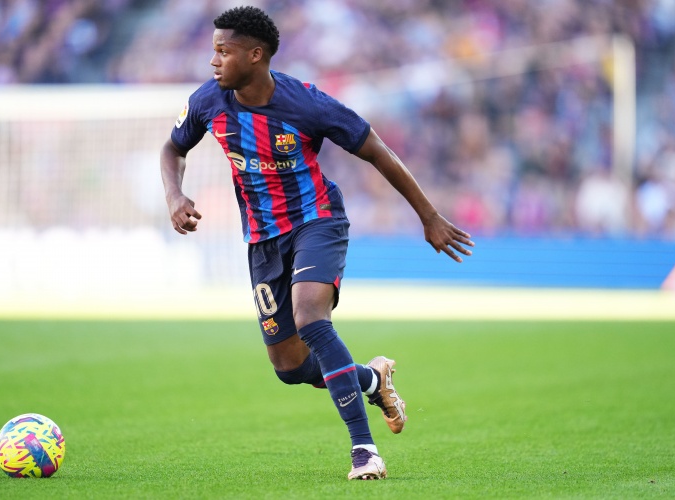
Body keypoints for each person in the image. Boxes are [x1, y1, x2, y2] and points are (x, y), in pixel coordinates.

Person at [160, 6, 474, 480]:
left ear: (256, 54)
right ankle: (372, 378)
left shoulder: (307, 104)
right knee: (289, 367)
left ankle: (364, 450)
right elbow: (173, 148)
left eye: (223, 51)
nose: (213, 60)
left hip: (317, 221)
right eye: (214, 51)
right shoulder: (208, 101)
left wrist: (428, 217)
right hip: (263, 239)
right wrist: (175, 194)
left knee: (311, 318)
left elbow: (377, 151)